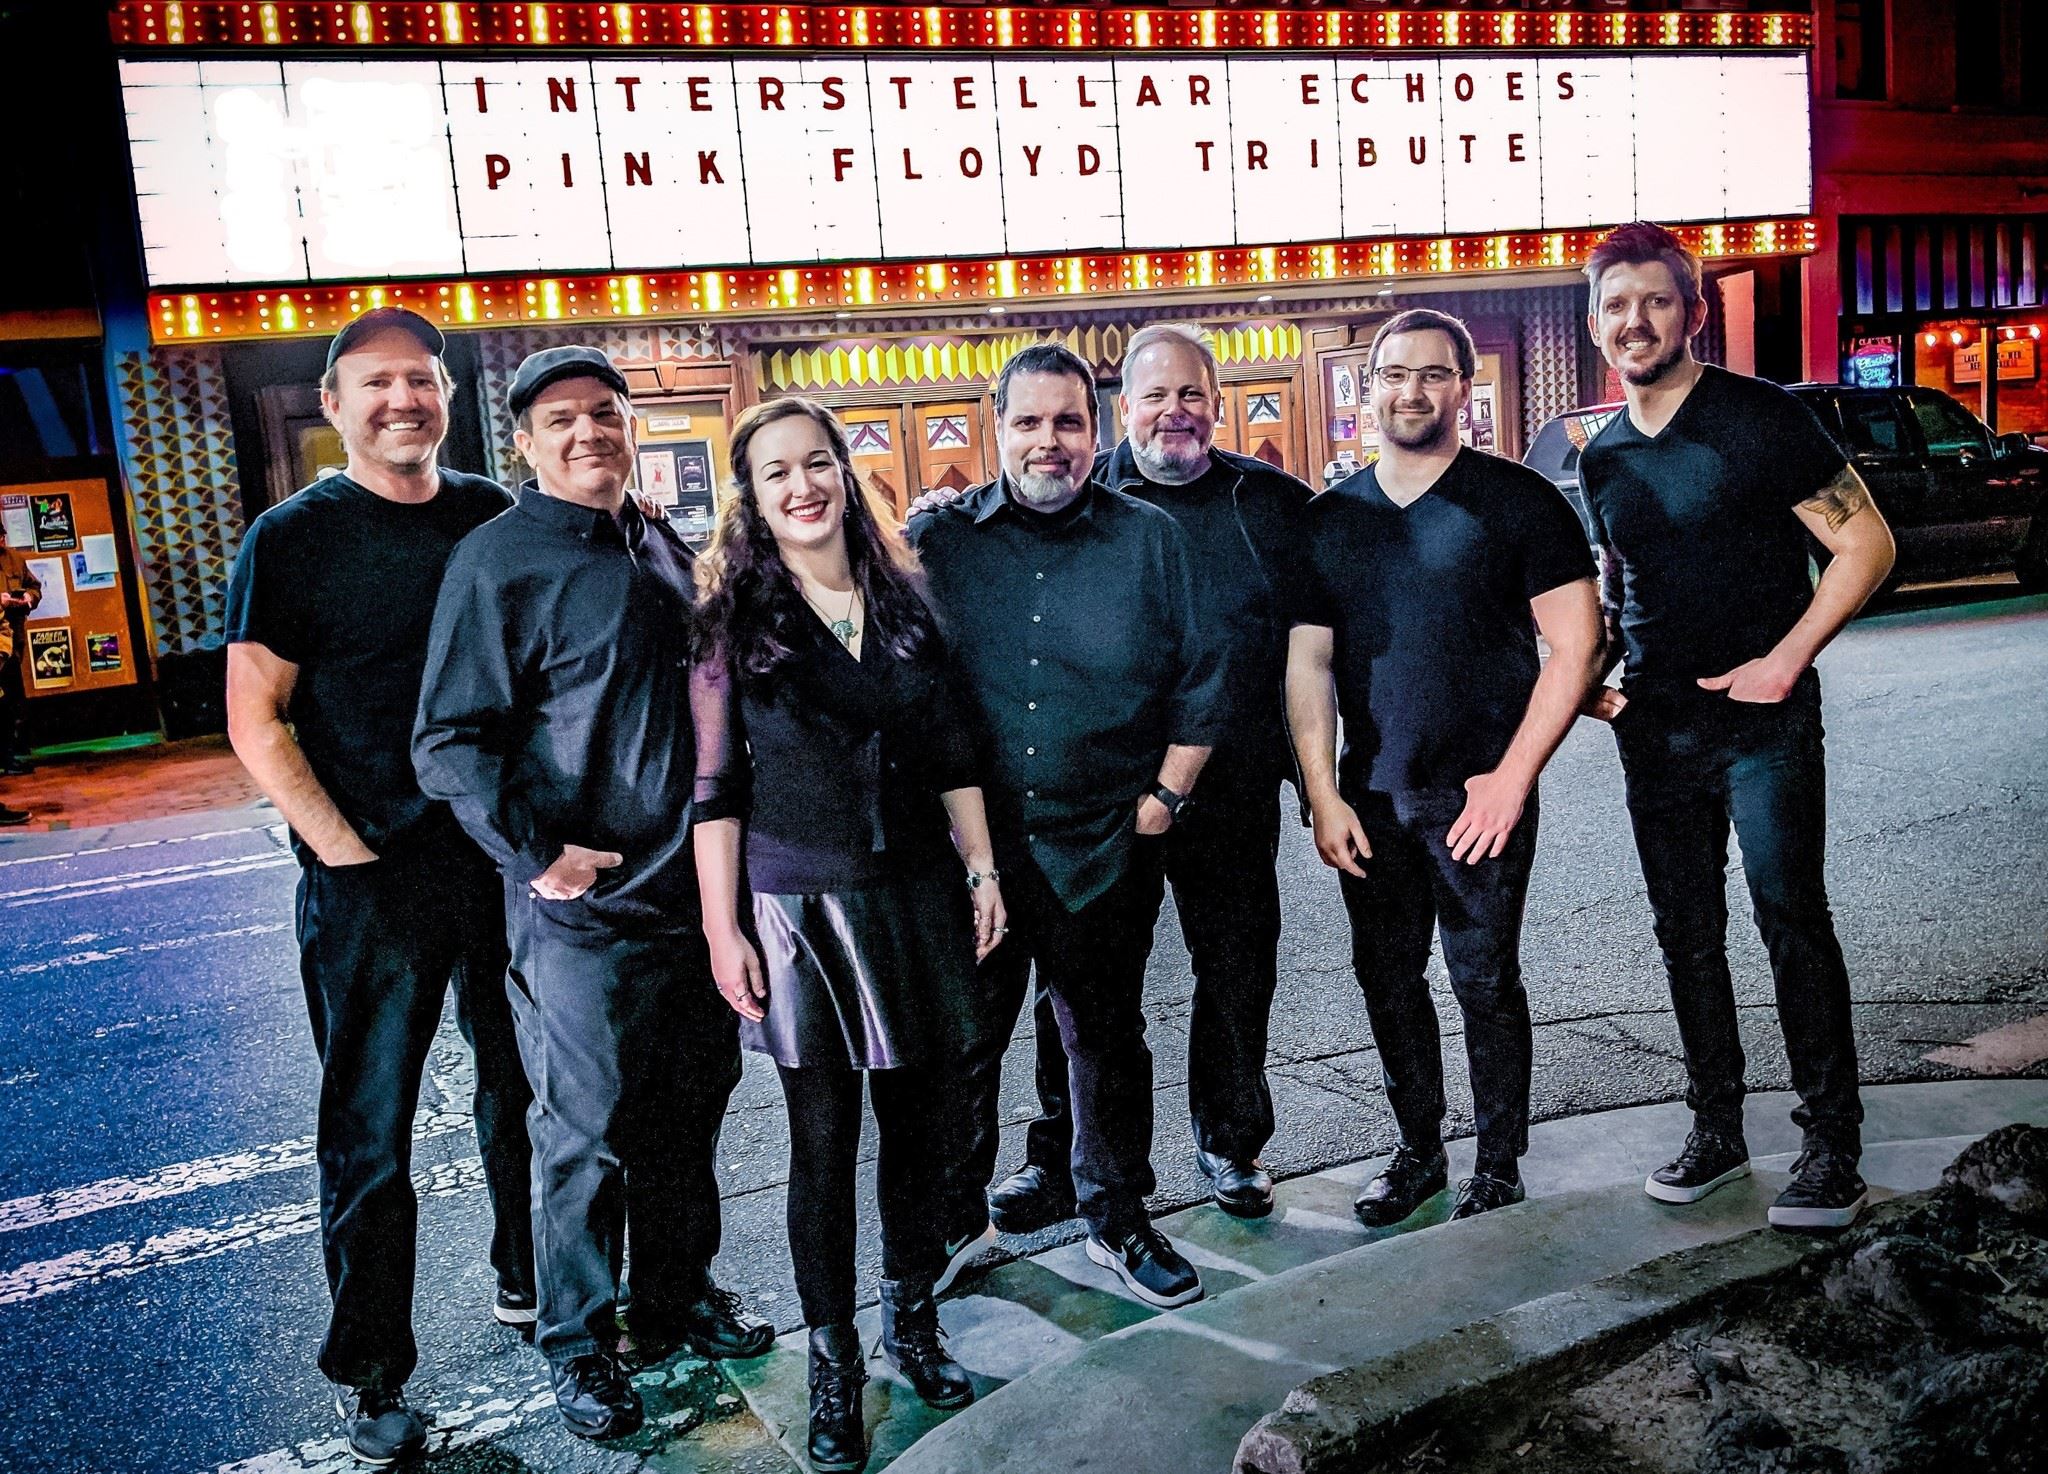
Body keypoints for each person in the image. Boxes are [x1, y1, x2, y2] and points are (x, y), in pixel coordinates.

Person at [413, 346, 772, 1442]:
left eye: (605, 414)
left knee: (687, 1111)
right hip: (584, 912)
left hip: (693, 896)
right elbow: (446, 738)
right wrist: (538, 856)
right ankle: (578, 1341)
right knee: (584, 1132)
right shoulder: (495, 560)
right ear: (523, 440)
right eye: (561, 418)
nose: (588, 433)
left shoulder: (656, 538)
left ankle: (673, 1296)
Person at [221, 307, 535, 1464]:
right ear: (336, 402)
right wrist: (342, 849)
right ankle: (374, 1371)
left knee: (525, 1094)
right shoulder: (292, 538)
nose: (405, 399)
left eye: (423, 380)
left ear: (446, 397)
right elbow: (255, 717)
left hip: (497, 865)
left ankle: (526, 1277)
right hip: (368, 883)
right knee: (370, 1129)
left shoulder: (490, 516)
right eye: (378, 383)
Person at [690, 396, 1008, 1473]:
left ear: (844, 472)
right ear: (753, 496)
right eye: (775, 472)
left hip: (913, 889)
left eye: (816, 463)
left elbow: (957, 747)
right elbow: (714, 789)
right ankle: (830, 1363)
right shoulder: (732, 619)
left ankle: (909, 1321)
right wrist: (720, 927)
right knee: (821, 1146)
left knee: (920, 1131)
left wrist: (979, 865)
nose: (801, 486)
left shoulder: (908, 600)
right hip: (796, 907)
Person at [1576, 222, 1896, 1231]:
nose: (1635, 320)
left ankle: (1828, 1144)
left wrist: (1784, 659)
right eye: (1616, 305)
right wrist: (1590, 687)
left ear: (1692, 312)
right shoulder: (1605, 455)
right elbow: (1619, 592)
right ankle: (1714, 1128)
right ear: (1595, 324)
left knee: (1786, 916)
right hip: (1656, 731)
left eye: (1655, 301)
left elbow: (1865, 543)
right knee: (1685, 935)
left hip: (1761, 722)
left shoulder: (1759, 418)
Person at [908, 342, 1226, 1310]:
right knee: (963, 1044)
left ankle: (1114, 1216)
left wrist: (1165, 795)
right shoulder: (937, 540)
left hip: (1102, 841)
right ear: (993, 422)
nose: (1049, 441)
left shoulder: (1148, 536)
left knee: (1104, 1038)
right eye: (1029, 421)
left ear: (1095, 430)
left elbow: (1204, 673)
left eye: (1068, 423)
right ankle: (948, 1225)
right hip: (977, 855)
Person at [983, 323, 1311, 1231]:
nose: (1175, 412)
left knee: (1239, 971)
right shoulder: (1082, 494)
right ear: (1121, 409)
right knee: (1081, 993)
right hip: (1110, 802)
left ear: (1217, 401)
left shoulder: (1273, 504)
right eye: (1155, 396)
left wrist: (1322, 781)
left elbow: (1319, 649)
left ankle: (1230, 1142)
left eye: (1192, 395)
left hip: (1233, 790)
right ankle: (1059, 1157)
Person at [1287, 308, 1605, 1226]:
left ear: (1465, 388)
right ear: (1367, 390)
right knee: (1387, 978)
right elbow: (1306, 664)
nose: (1411, 391)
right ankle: (1418, 1149)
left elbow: (1575, 648)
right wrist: (1321, 795)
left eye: (1433, 374)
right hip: (1371, 797)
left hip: (1479, 795)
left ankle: (1498, 1161)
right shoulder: (1329, 521)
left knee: (1483, 979)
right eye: (1393, 373)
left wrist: (1512, 780)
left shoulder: (1518, 502)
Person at [0, 517, 42, 789]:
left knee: (12, 700)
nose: (1, 542)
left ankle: (12, 754)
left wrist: (28, 597)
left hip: (11, 639)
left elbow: (34, 586)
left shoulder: (14, 558)